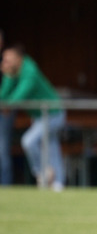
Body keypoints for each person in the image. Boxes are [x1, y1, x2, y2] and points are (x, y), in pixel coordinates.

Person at [0, 44, 65, 191]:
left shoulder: (30, 71)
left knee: (28, 141)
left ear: (19, 59)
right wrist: (7, 77)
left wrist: (7, 106)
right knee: (51, 146)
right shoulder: (13, 72)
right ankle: (58, 183)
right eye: (4, 60)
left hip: (53, 113)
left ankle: (42, 173)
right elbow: (4, 96)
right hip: (39, 116)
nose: (4, 64)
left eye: (8, 60)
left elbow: (19, 97)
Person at [0, 28, 13, 186]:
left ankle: (5, 186)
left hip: (4, 111)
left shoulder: (7, 60)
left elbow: (7, 90)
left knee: (2, 150)